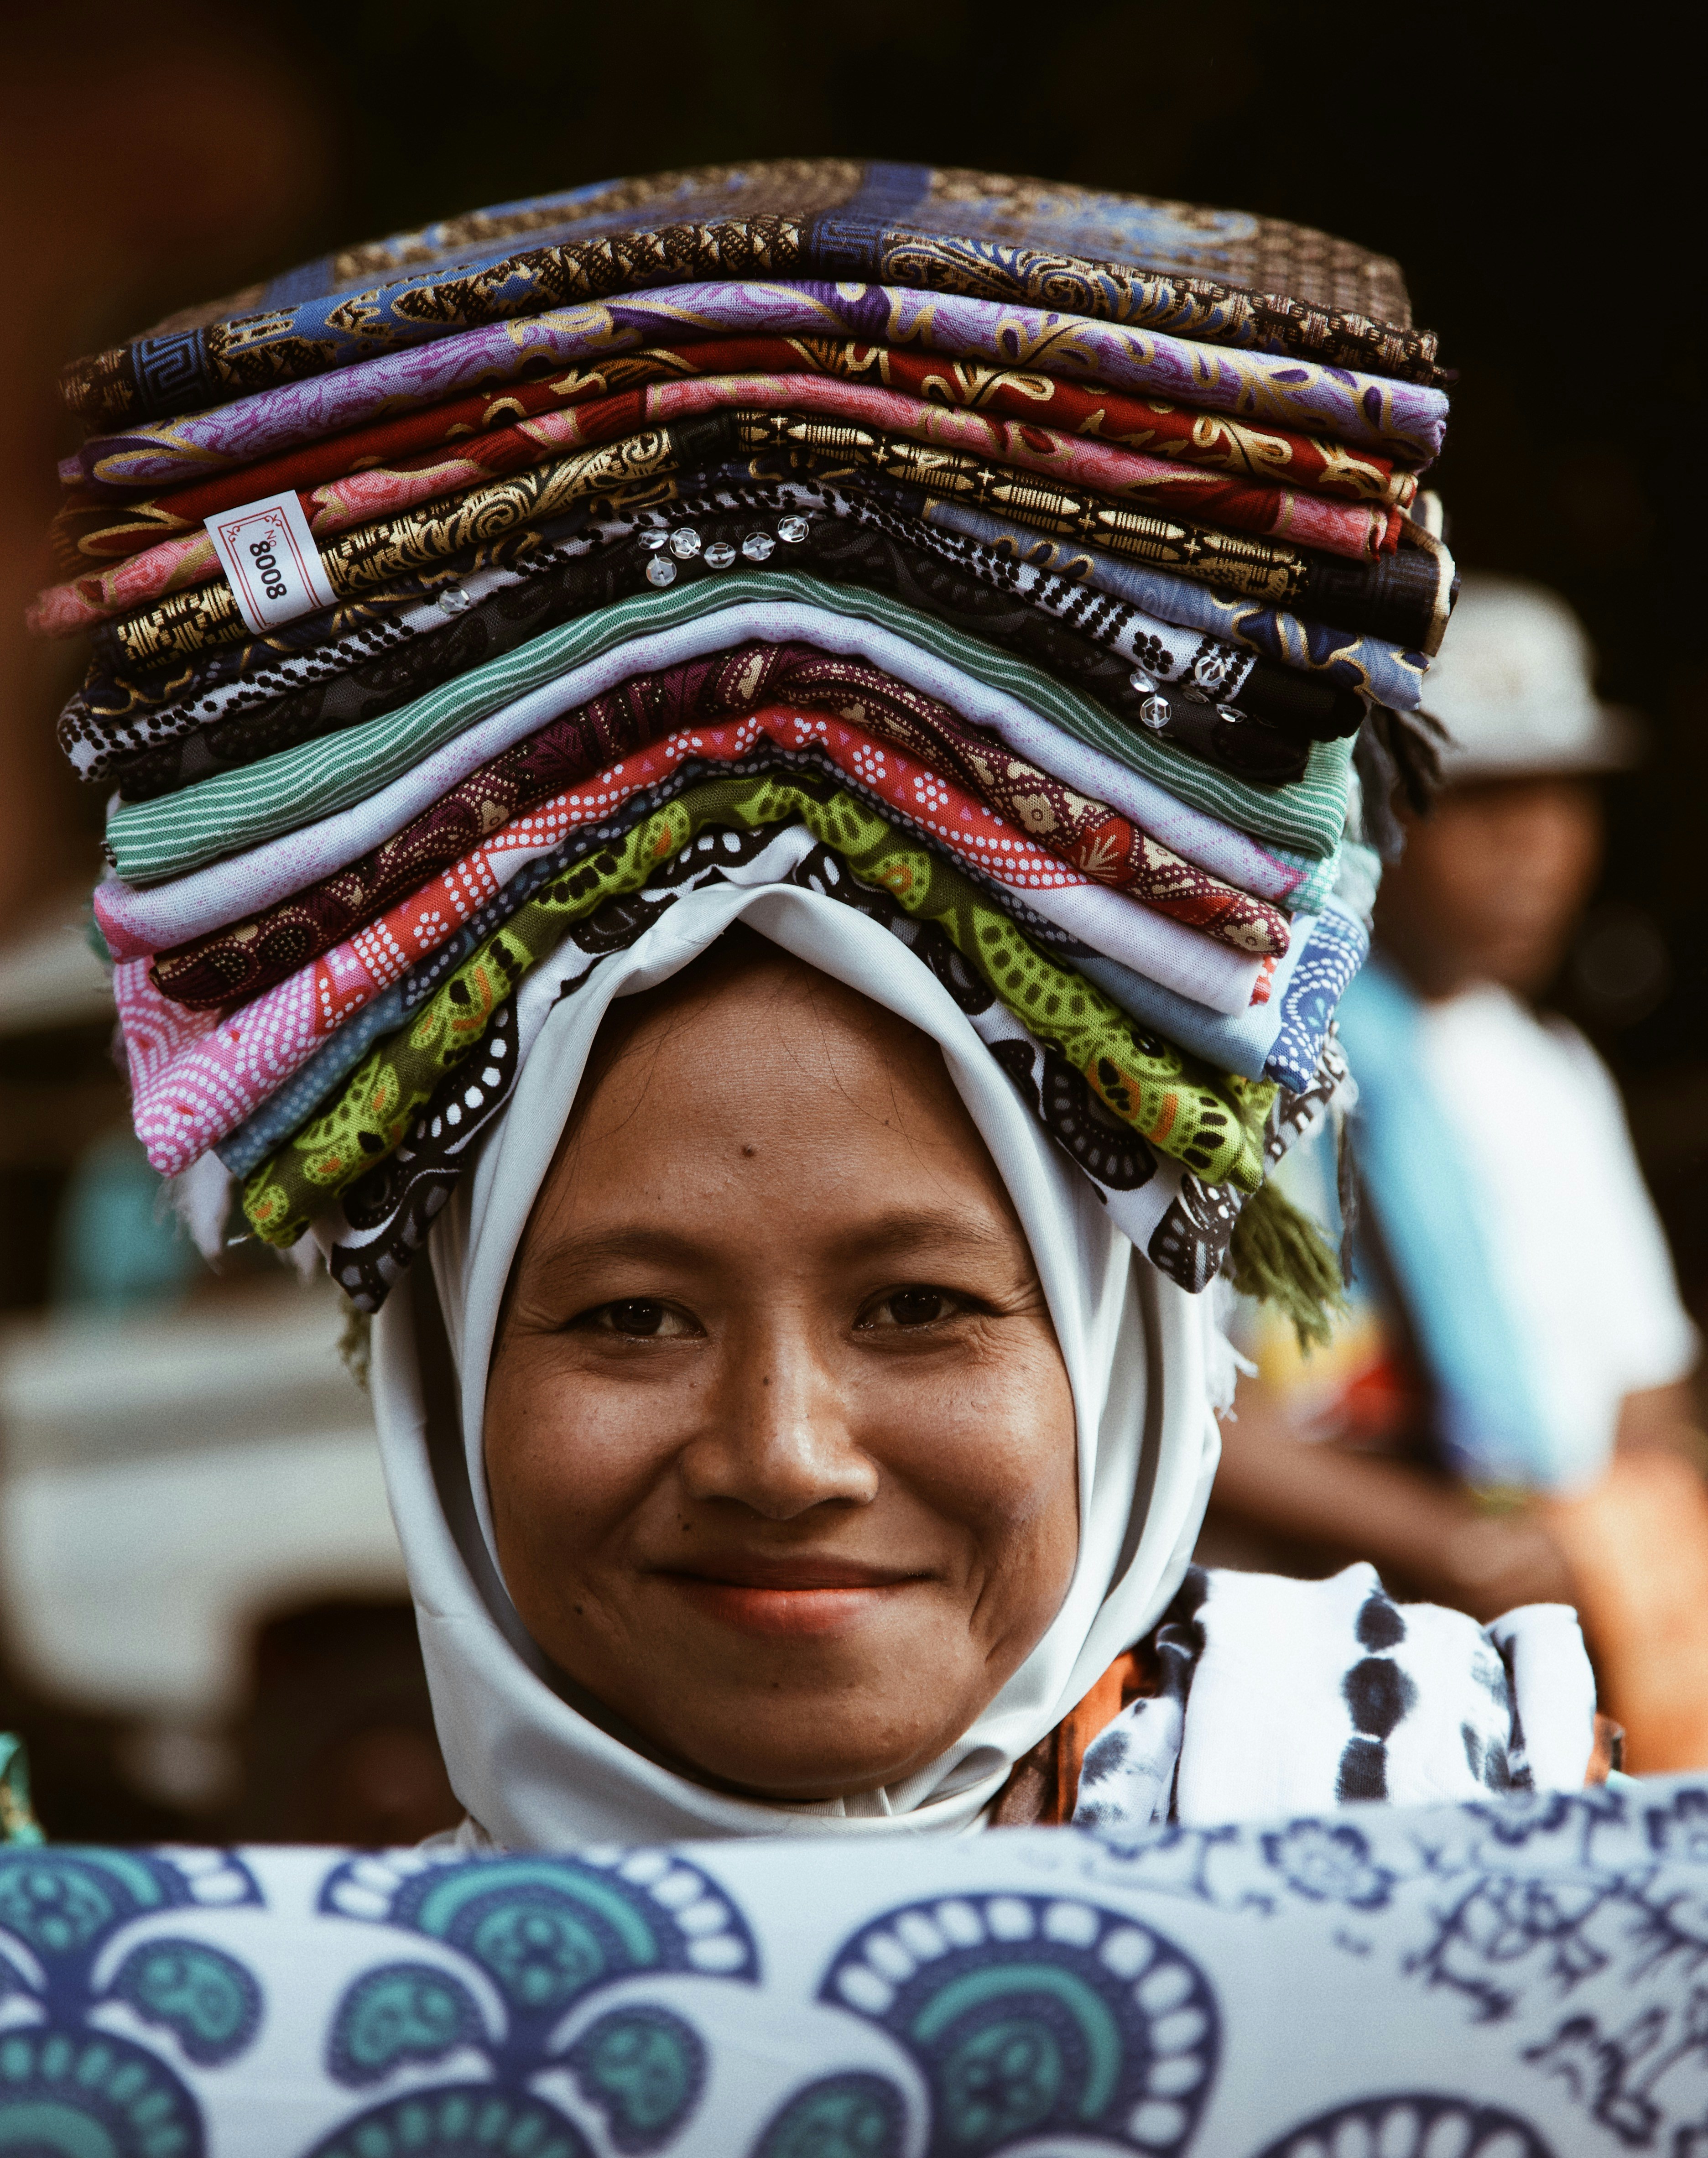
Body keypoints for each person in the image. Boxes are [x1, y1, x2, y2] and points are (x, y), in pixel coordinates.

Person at [369, 893, 1603, 1851]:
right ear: (448, 1364)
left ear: (1120, 1364)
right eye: (634, 1318)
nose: (786, 1461)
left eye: (918, 1306)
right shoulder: (334, 2074)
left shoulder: (1468, 1824)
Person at [1206, 575, 1708, 1769]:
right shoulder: (1270, 1062)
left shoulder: (1555, 1075)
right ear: (1382, 809)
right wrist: (1454, 1541)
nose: (1533, 847)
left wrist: (1599, 1527)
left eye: (1562, 801)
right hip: (1364, 1643)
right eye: (1485, 800)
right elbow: (1209, 1417)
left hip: (1583, 1605)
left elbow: (1647, 1389)